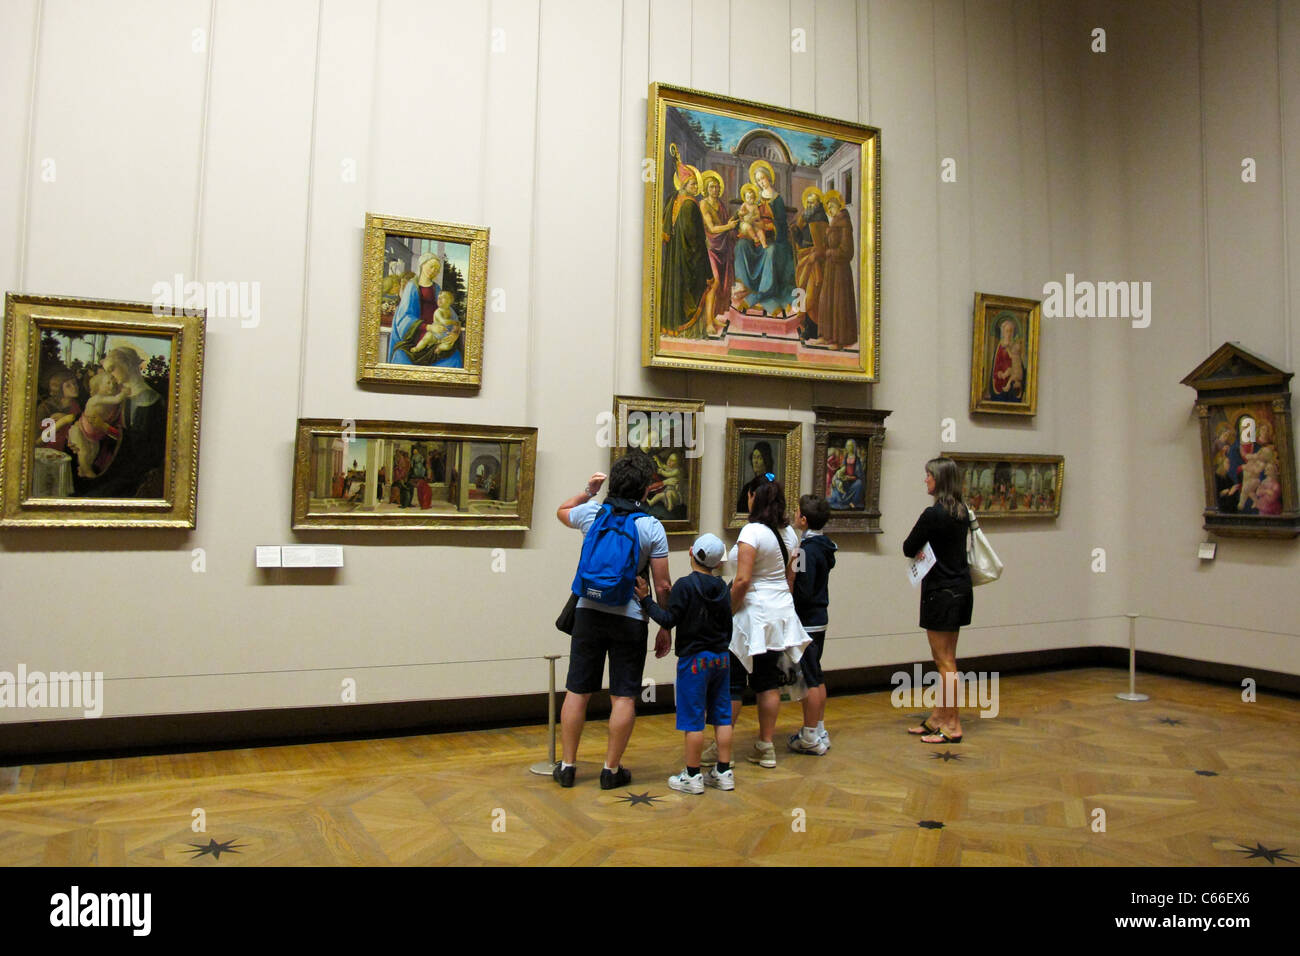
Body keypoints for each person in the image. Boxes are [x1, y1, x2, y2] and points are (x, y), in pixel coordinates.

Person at [554, 452, 672, 789]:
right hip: (630, 618)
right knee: (623, 696)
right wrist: (664, 623)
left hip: (588, 613)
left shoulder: (593, 514)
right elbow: (662, 584)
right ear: (645, 490)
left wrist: (589, 491)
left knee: (578, 691)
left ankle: (567, 766)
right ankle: (611, 770)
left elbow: (561, 511)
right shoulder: (650, 526)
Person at [711, 476, 809, 770]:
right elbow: (791, 579)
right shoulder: (790, 533)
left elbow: (741, 580)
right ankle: (766, 745)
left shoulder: (751, 531)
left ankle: (720, 747)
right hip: (779, 612)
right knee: (767, 682)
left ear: (753, 496)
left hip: (751, 614)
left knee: (734, 683)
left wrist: (727, 611)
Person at [635, 533, 735, 794]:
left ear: (692, 552)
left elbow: (668, 620)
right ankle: (724, 772)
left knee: (693, 719)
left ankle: (692, 775)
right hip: (722, 658)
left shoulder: (685, 585)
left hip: (694, 661)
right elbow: (728, 623)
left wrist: (646, 599)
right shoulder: (724, 588)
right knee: (722, 716)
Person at [902, 457, 974, 745]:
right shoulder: (962, 512)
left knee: (944, 662)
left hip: (940, 592)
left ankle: (953, 724)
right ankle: (938, 718)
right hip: (960, 589)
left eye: (929, 475)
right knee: (948, 659)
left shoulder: (933, 514)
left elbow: (908, 547)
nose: (925, 480)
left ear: (940, 480)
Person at [789, 494, 837, 755]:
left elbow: (803, 589)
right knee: (816, 674)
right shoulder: (825, 546)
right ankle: (818, 729)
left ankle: (809, 736)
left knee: (809, 679)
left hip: (806, 621)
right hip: (820, 619)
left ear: (803, 520)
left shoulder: (804, 551)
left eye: (796, 511)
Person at [660, 144, 710, 339]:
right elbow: (695, 240)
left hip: (675, 257)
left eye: (696, 185)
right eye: (693, 185)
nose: (696, 188)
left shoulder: (674, 199)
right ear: (684, 185)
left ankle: (672, 328)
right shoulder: (690, 204)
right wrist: (705, 268)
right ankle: (690, 333)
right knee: (692, 292)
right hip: (688, 259)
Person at [697, 170, 738, 336]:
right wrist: (729, 227)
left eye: (717, 187)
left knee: (720, 285)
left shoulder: (720, 204)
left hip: (722, 248)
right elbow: (713, 228)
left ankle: (712, 317)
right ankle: (707, 323)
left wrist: (734, 220)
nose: (714, 189)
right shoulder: (704, 204)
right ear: (706, 189)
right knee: (714, 283)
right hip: (710, 248)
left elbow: (724, 223)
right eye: (711, 187)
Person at [814, 189, 856, 349]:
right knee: (827, 301)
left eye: (832, 207)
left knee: (839, 302)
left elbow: (847, 251)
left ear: (839, 206)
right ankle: (826, 336)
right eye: (828, 208)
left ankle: (839, 340)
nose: (829, 211)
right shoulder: (833, 224)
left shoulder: (844, 223)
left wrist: (829, 252)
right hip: (831, 268)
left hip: (840, 270)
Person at [66, 370, 126, 478]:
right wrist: (125, 392)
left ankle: (83, 469)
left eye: (114, 383)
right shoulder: (96, 399)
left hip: (95, 436)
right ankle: (87, 471)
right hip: (80, 430)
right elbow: (117, 399)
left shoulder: (114, 405)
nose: (112, 385)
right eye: (108, 383)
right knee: (83, 452)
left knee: (93, 453)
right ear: (98, 387)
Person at [736, 442, 775, 514]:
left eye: (759, 458)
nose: (755, 461)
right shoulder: (747, 487)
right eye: (754, 457)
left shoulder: (772, 486)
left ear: (765, 460)